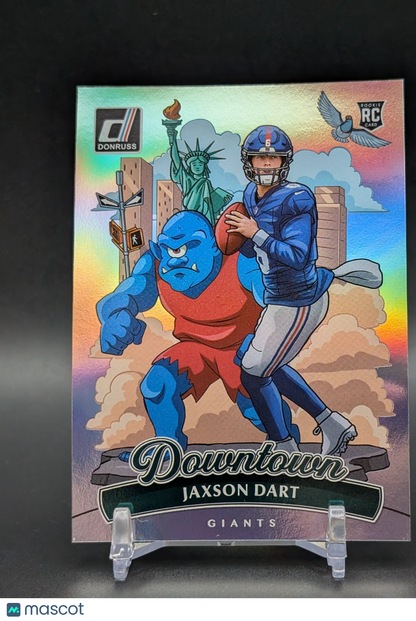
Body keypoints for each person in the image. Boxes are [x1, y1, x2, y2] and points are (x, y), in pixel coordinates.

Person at [225, 125, 382, 456]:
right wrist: (240, 239)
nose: (266, 164)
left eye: (273, 158)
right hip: (278, 298)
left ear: (284, 162)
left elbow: (297, 257)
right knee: (261, 363)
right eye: (260, 158)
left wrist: (254, 233)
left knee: (254, 373)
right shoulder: (250, 195)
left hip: (299, 300)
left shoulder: (296, 198)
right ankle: (332, 424)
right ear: (248, 161)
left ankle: (284, 445)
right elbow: (258, 249)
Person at [97, 210, 299, 460]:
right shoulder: (155, 265)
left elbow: (276, 302)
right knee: (156, 385)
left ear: (214, 247)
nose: (177, 260)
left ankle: (285, 441)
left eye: (189, 246)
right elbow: (125, 294)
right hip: (195, 347)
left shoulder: (240, 260)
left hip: (240, 347)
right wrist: (115, 315)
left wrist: (264, 342)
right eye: (170, 250)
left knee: (255, 407)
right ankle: (167, 447)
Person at [165, 124, 232, 225]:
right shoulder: (186, 178)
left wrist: (222, 200)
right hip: (191, 215)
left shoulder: (206, 183)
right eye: (194, 164)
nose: (197, 167)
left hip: (206, 218)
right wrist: (173, 140)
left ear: (205, 166)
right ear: (189, 166)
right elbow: (176, 160)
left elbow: (211, 204)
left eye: (200, 164)